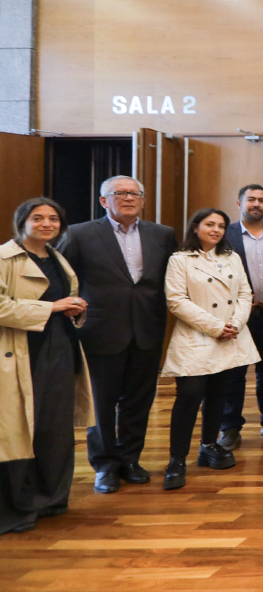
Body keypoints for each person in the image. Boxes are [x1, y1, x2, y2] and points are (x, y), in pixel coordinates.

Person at [59, 175, 177, 494]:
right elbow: (60, 276)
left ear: (142, 199)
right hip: (99, 330)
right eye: (119, 193)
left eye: (134, 193)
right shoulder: (79, 234)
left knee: (139, 401)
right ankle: (105, 464)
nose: (128, 198)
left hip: (148, 329)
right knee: (101, 403)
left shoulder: (162, 234)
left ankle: (129, 459)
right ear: (103, 201)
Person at [0, 198, 93, 534]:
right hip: (21, 353)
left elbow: (63, 300)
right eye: (37, 218)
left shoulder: (57, 258)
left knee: (55, 428)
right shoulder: (3, 257)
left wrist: (72, 309)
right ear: (21, 222)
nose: (46, 224)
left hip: (60, 348)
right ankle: (17, 508)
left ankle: (51, 499)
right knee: (19, 430)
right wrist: (53, 307)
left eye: (53, 218)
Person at [160, 208, 260, 490]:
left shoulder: (232, 257)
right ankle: (177, 459)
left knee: (219, 393)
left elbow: (245, 293)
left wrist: (236, 323)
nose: (216, 229)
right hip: (197, 337)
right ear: (195, 227)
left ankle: (208, 446)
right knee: (189, 396)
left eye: (221, 225)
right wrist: (216, 326)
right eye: (209, 224)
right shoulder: (180, 259)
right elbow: (176, 301)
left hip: (231, 336)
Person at [219, 184, 263, 451]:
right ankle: (230, 427)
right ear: (239, 203)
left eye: (262, 200)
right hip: (236, 318)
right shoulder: (225, 236)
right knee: (234, 374)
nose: (256, 204)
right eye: (251, 199)